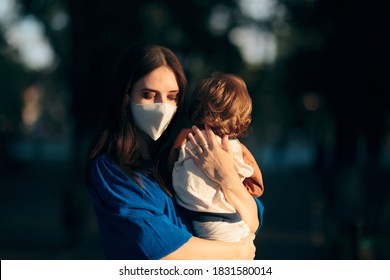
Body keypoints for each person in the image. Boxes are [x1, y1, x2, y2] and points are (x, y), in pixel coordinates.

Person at [86, 43, 263, 260]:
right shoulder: (111, 170)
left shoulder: (188, 153)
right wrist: (236, 252)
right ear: (126, 95)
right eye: (149, 95)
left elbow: (253, 216)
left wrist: (227, 178)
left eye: (172, 97)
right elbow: (159, 246)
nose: (162, 106)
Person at [170, 73, 264, 242]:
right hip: (226, 219)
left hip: (193, 213)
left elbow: (170, 163)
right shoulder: (235, 148)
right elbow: (254, 182)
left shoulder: (186, 137)